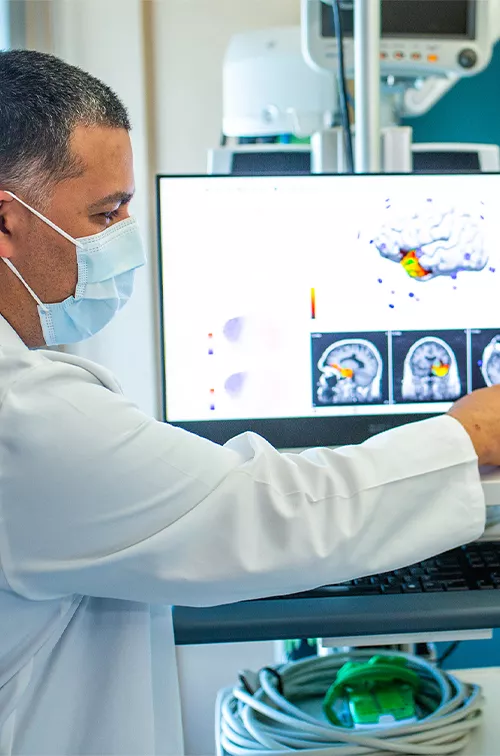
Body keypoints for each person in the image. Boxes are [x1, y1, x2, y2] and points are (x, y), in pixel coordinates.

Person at [0, 48, 497, 756]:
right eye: (106, 213)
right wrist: (470, 437)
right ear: (6, 221)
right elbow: (262, 511)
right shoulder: (21, 413)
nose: (124, 240)